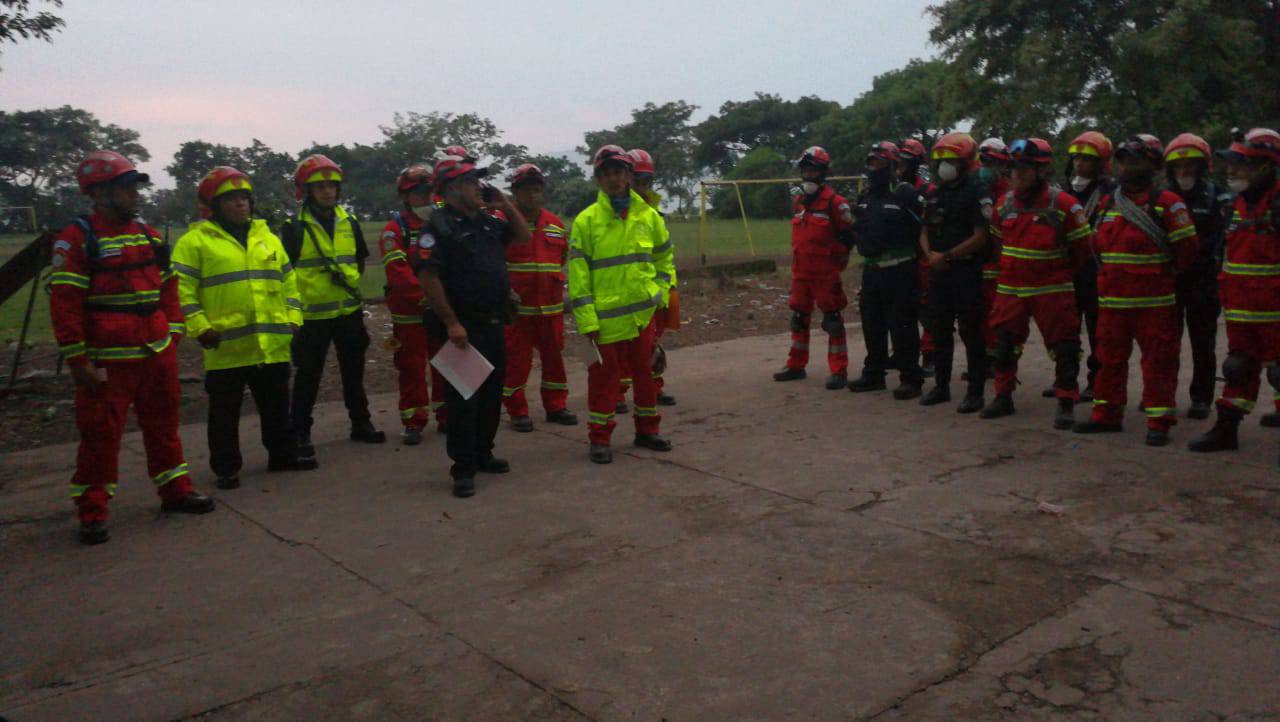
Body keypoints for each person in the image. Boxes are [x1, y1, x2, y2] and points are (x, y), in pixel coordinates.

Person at [50, 151, 214, 545]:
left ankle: (176, 492)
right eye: (127, 188)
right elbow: (65, 303)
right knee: (101, 437)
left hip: (156, 352)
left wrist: (172, 330)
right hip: (108, 361)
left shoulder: (148, 235)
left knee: (164, 426)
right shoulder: (76, 239)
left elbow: (169, 286)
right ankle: (92, 512)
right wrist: (76, 358)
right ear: (101, 193)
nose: (136, 196)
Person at [173, 166, 317, 489]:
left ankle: (282, 455)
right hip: (225, 345)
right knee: (225, 412)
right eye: (231, 199)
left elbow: (288, 281)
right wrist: (200, 327)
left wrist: (294, 319)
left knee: (277, 404)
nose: (241, 204)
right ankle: (226, 467)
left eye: (244, 198)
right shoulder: (194, 243)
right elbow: (181, 292)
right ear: (213, 206)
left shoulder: (267, 238)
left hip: (272, 342)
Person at [414, 155, 531, 496]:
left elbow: (522, 236)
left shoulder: (486, 221)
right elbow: (428, 277)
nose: (478, 187)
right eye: (470, 182)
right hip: (463, 328)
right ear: (451, 188)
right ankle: (462, 467)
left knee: (492, 393)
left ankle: (484, 453)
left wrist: (505, 204)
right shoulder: (438, 228)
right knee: (465, 399)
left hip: (494, 322)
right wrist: (451, 323)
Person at [1073, 135, 1199, 446]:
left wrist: (1162, 276)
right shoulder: (1108, 202)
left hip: (1154, 304)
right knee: (1108, 359)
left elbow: (1187, 250)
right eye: (1124, 160)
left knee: (1158, 362)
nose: (1128, 167)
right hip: (1113, 302)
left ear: (1153, 166)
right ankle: (1107, 415)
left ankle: (1159, 421)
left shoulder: (1168, 203)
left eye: (1136, 161)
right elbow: (1096, 246)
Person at [568, 145, 675, 464]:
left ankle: (647, 431)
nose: (613, 179)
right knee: (603, 382)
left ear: (629, 176)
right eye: (606, 173)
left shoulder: (649, 216)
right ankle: (599, 439)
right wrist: (586, 320)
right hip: (604, 322)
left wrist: (660, 293)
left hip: (642, 317)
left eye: (619, 172)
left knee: (645, 377)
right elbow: (578, 275)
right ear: (598, 179)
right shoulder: (586, 222)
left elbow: (664, 257)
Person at [981, 138, 1093, 429]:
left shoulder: (1064, 205)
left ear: (1041, 171)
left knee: (1065, 348)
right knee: (1004, 345)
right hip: (1011, 290)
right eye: (1013, 168)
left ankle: (1066, 400)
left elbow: (1083, 251)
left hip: (1052, 290)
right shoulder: (1004, 205)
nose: (1017, 174)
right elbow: (996, 244)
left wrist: (1060, 276)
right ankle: (1003, 397)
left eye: (1025, 168)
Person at [280, 154, 385, 457]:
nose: (327, 191)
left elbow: (359, 260)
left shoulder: (348, 222)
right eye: (320, 186)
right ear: (306, 191)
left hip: (348, 312)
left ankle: (361, 423)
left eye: (332, 185)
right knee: (307, 377)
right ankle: (299, 432)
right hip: (311, 316)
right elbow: (284, 272)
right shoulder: (294, 228)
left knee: (354, 372)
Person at [1189, 127, 1280, 464]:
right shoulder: (1236, 206)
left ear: (1265, 166)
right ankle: (1226, 430)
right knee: (1238, 368)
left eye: (1241, 165)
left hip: (1274, 310)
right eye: (1232, 164)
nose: (1233, 171)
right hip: (1242, 311)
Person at [502, 162, 578, 431]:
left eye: (536, 190)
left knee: (555, 360)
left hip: (550, 308)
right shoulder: (502, 223)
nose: (532, 195)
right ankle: (517, 411)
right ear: (515, 192)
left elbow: (562, 258)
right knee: (516, 363)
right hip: (518, 312)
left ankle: (556, 405)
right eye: (526, 190)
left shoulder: (555, 224)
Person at [772, 146, 855, 389]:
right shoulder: (799, 202)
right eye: (805, 170)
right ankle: (796, 365)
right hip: (801, 273)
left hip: (825, 275)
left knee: (832, 321)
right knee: (798, 319)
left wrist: (837, 265)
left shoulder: (836, 204)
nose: (808, 175)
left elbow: (848, 238)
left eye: (813, 171)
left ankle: (839, 370)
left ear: (823, 173)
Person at [847, 141, 925, 399]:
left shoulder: (904, 193)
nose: (874, 168)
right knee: (872, 322)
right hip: (872, 270)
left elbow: (923, 228)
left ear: (892, 166)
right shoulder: (866, 196)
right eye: (871, 163)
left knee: (902, 324)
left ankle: (910, 378)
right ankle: (874, 374)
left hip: (900, 268)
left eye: (880, 163)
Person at [919, 132, 990, 412]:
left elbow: (981, 235)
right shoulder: (935, 194)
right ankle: (941, 386)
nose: (944, 165)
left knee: (971, 330)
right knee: (939, 329)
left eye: (950, 160)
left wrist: (946, 256)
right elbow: (924, 230)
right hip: (939, 271)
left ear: (965, 162)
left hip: (966, 269)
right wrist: (930, 256)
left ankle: (975, 392)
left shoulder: (977, 193)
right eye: (941, 160)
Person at [1164, 133, 1230, 419]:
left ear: (1203, 167)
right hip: (1169, 280)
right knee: (1165, 342)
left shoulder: (1217, 196)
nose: (1184, 172)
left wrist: (1193, 255)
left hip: (1203, 280)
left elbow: (1221, 237)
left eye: (1190, 166)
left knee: (1203, 342)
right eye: (1178, 167)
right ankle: (1162, 394)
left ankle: (1201, 398)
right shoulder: (1162, 196)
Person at [380, 165, 448, 444]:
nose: (425, 197)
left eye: (429, 191)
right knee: (410, 366)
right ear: (406, 197)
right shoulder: (395, 230)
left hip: (442, 310)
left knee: (447, 364)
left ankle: (447, 416)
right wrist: (430, 295)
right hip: (410, 313)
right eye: (418, 193)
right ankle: (413, 420)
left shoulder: (444, 222)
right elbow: (398, 271)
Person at [616, 148, 679, 407]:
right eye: (637, 180)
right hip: (628, 291)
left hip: (656, 288)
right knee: (623, 344)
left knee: (651, 342)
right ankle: (618, 392)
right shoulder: (617, 212)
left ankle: (654, 386)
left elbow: (664, 254)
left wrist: (666, 289)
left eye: (646, 181)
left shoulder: (653, 211)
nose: (642, 186)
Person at [1059, 131, 1116, 401]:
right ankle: (1066, 377)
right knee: (1066, 328)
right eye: (1077, 158)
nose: (1080, 164)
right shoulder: (1066, 191)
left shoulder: (1110, 193)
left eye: (1087, 159)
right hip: (1068, 268)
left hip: (1094, 269)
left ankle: (1097, 380)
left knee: (1097, 330)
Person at [899, 138, 937, 377]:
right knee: (901, 310)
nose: (900, 167)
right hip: (900, 257)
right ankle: (902, 353)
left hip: (923, 257)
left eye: (904, 162)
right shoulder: (893, 189)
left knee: (927, 309)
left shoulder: (928, 191)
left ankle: (930, 356)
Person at [977, 137, 1012, 375]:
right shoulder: (976, 190)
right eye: (983, 161)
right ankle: (984, 358)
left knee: (1000, 315)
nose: (986, 167)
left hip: (1003, 267)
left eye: (991, 162)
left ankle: (999, 359)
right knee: (979, 313)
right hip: (978, 263)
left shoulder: (1009, 195)